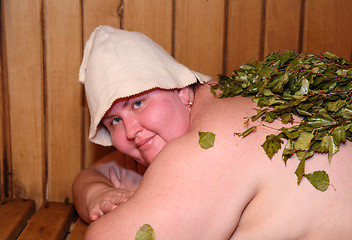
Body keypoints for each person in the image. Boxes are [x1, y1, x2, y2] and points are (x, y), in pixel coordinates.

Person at [73, 25, 352, 239]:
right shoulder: (222, 97)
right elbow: (102, 173)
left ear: (181, 90)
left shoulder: (207, 145)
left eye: (137, 103)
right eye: (114, 122)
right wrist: (95, 194)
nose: (131, 130)